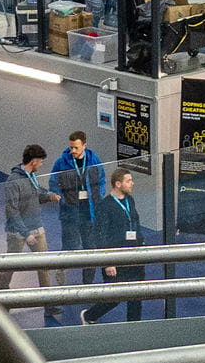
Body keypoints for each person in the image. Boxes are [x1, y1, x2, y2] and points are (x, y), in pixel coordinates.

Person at [83, 166, 150, 321]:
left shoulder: (130, 200)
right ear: (118, 184)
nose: (132, 183)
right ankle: (89, 316)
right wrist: (108, 262)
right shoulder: (104, 206)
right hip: (115, 258)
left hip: (134, 256)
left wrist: (141, 242)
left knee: (136, 296)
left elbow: (135, 222)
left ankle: (134, 327)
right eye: (129, 181)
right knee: (114, 298)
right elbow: (101, 236)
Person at [0, 143, 51, 295]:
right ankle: (1, 293)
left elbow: (36, 195)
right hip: (18, 232)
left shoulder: (32, 176)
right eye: (40, 162)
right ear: (34, 162)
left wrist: (49, 197)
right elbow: (12, 210)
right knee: (11, 264)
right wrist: (26, 233)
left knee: (44, 265)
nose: (41, 165)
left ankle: (49, 299)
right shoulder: (13, 181)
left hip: (36, 227)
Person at [50, 130, 105, 254]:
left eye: (76, 148)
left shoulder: (94, 160)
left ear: (84, 146)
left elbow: (102, 180)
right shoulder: (61, 162)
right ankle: (65, 266)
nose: (73, 151)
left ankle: (89, 266)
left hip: (89, 210)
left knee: (90, 245)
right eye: (71, 147)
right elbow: (53, 182)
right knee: (69, 246)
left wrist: (99, 196)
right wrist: (61, 198)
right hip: (70, 211)